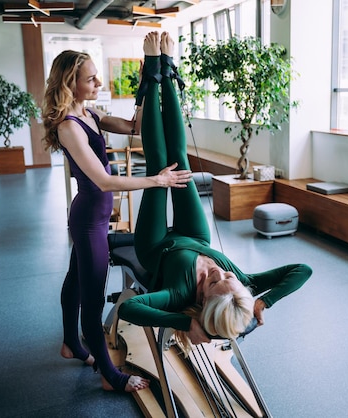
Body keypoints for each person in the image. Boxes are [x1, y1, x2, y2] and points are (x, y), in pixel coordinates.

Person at [118, 31, 312, 355]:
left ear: (202, 299)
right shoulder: (237, 280)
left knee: (158, 167)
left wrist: (184, 324)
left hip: (155, 248)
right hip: (194, 236)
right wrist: (263, 302)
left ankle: (151, 67)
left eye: (211, 281)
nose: (217, 270)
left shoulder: (179, 293)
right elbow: (302, 270)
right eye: (227, 275)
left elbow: (130, 309)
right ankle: (167, 68)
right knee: (179, 159)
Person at [41, 47, 193, 392]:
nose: (98, 81)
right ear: (71, 83)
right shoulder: (69, 126)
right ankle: (111, 376)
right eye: (90, 78)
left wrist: (144, 83)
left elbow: (134, 127)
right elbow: (105, 181)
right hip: (88, 221)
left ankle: (72, 345)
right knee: (93, 297)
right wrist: (157, 180)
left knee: (75, 280)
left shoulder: (90, 114)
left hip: (94, 216)